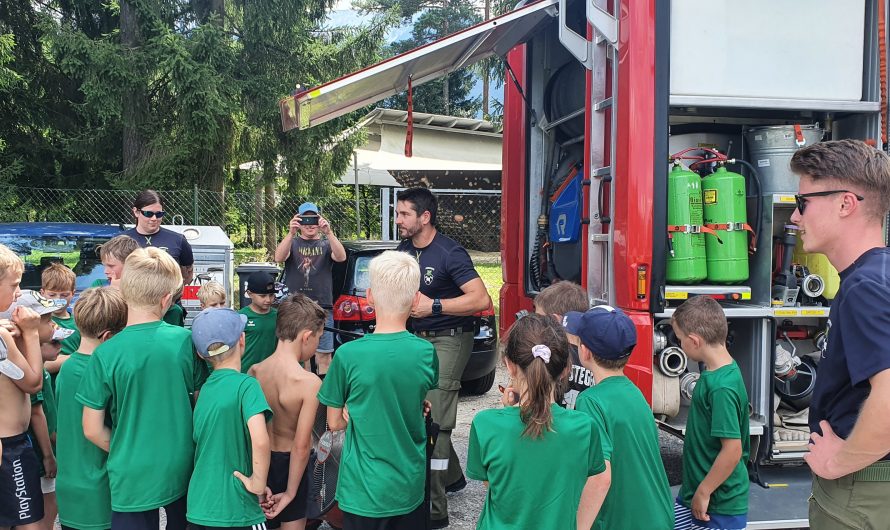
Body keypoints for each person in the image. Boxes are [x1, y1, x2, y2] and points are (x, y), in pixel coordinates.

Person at [787, 139, 890, 528]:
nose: (795, 218)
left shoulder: (866, 288)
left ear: (846, 203)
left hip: (861, 491)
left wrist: (838, 462)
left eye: (803, 204)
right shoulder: (877, 277)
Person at [76, 247, 207, 530]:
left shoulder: (105, 353)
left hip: (130, 471)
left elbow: (91, 428)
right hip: (181, 465)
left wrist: (125, 447)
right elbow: (200, 401)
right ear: (165, 300)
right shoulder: (185, 341)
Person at [317, 250, 438, 529]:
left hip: (362, 491)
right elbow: (416, 399)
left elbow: (334, 423)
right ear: (416, 299)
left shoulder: (347, 355)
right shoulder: (426, 352)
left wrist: (351, 411)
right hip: (409, 486)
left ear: (369, 296)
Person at [394, 187, 491, 526]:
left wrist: (433, 306)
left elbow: (481, 299)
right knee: (415, 409)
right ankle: (452, 477)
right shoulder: (403, 250)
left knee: (436, 418)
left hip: (449, 339)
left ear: (425, 217)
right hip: (415, 340)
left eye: (404, 213)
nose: (398, 219)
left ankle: (435, 510)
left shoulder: (451, 253)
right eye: (397, 212)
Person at [466, 313, 605, 529]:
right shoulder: (584, 428)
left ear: (509, 365)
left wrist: (507, 412)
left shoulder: (486, 424)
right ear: (565, 369)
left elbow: (496, 485)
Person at [567, 306, 673, 530]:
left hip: (624, 522)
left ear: (584, 352)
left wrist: (579, 526)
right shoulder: (634, 392)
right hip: (657, 516)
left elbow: (600, 477)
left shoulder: (591, 401)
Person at [187, 307, 273, 530]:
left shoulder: (204, 390)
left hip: (200, 506)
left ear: (200, 354)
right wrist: (258, 482)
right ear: (242, 339)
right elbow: (261, 440)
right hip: (237, 509)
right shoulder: (247, 385)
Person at [670, 296, 749, 530]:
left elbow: (732, 450)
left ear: (694, 341)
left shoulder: (721, 388)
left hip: (717, 504)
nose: (680, 343)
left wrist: (704, 492)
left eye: (680, 339)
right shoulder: (718, 372)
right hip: (695, 494)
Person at [250, 294, 325, 530]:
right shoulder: (309, 383)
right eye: (318, 340)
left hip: (260, 463)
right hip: (292, 468)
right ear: (306, 337)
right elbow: (301, 446)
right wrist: (292, 493)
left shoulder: (255, 372)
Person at [56, 287, 127, 530]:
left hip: (70, 487)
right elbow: (95, 431)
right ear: (108, 337)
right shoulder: (105, 372)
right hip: (101, 493)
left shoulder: (66, 368)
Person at [0, 260, 49, 530]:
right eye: (14, 285)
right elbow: (32, 383)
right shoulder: (1, 336)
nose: (18, 293)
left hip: (13, 444)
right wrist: (30, 333)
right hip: (9, 448)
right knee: (31, 523)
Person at [274, 201, 346, 377]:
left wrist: (328, 232)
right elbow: (279, 257)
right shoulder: (293, 242)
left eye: (313, 219)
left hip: (322, 306)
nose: (310, 224)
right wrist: (291, 233)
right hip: (296, 307)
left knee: (324, 354)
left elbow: (341, 257)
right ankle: (301, 394)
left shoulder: (326, 243)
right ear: (298, 222)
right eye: (305, 219)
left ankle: (322, 397)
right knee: (299, 355)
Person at [533, 281, 593, 410]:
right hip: (585, 427)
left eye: (539, 318)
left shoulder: (547, 358)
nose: (537, 323)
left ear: (555, 320)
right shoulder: (593, 359)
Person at [123, 189, 194, 285]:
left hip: (168, 297)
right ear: (136, 212)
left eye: (159, 214)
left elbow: (188, 274)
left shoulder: (178, 240)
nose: (154, 219)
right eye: (148, 214)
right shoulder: (121, 240)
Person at [41, 263, 81, 366]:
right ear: (42, 293)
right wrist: (79, 357)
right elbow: (43, 365)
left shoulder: (80, 323)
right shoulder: (39, 323)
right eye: (52, 295)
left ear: (73, 293)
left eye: (64, 295)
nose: (58, 300)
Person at [238, 271, 278, 374]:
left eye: (271, 295)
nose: (268, 300)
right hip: (245, 373)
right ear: (250, 294)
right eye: (262, 296)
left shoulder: (278, 316)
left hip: (270, 374)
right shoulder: (241, 317)